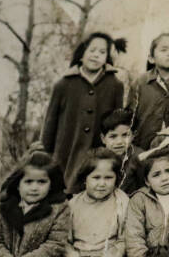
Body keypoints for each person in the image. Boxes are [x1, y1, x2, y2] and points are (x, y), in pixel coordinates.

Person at [41, 32, 126, 188]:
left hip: (100, 160)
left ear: (106, 58)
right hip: (67, 156)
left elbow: (117, 125)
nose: (96, 55)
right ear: (82, 53)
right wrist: (45, 158)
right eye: (92, 50)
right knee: (67, 195)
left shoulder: (115, 85)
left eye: (102, 52)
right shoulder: (63, 85)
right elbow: (49, 126)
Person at [65, 149, 129, 257]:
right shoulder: (73, 204)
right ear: (85, 179)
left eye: (108, 178)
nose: (102, 183)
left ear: (116, 178)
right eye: (96, 177)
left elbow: (124, 238)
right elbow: (65, 242)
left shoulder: (121, 201)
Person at [100, 109, 142, 194]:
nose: (119, 142)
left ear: (133, 135)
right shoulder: (98, 158)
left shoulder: (139, 157)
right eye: (113, 136)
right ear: (103, 139)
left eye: (125, 135)